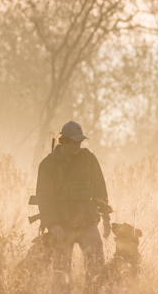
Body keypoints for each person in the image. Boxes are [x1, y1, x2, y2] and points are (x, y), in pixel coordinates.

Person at [34, 121, 109, 284]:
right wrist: (53, 224)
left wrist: (106, 217)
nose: (77, 145)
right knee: (61, 274)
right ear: (64, 141)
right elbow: (44, 197)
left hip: (87, 221)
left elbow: (100, 189)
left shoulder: (88, 159)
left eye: (80, 142)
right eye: (74, 142)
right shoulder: (48, 165)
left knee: (96, 268)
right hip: (61, 224)